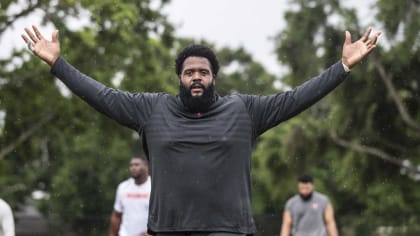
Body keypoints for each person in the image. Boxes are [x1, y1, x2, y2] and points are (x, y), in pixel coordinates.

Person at [21, 24, 380, 236]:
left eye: (203, 72)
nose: (196, 77)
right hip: (169, 230)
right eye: (189, 72)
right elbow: (101, 95)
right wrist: (58, 64)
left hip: (229, 230)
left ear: (213, 78)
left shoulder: (244, 110)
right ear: (180, 78)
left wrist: (342, 67)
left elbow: (297, 98)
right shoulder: (152, 109)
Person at [110, 157, 151, 236]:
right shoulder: (123, 187)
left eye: (137, 165)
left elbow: (163, 216)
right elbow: (117, 215)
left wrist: (152, 233)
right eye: (131, 165)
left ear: (146, 166)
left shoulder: (155, 187)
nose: (133, 168)